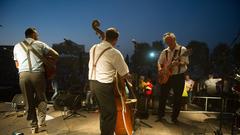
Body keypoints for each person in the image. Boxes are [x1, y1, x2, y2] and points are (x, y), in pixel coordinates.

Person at [13, 27, 59, 133]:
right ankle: (41, 121)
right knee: (42, 99)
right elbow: (56, 55)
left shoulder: (17, 46)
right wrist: (45, 58)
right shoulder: (40, 44)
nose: (38, 36)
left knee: (28, 102)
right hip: (38, 75)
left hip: (23, 75)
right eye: (37, 34)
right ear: (33, 34)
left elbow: (17, 65)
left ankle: (33, 126)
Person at [88, 28, 130, 135]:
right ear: (116, 40)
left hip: (92, 84)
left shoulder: (93, 48)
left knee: (104, 113)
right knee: (110, 114)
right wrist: (130, 78)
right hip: (103, 85)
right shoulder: (114, 53)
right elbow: (124, 73)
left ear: (105, 36)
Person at [156, 32, 189, 123]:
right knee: (163, 96)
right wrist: (160, 69)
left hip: (178, 76)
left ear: (174, 39)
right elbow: (159, 62)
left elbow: (186, 63)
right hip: (166, 76)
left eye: (169, 40)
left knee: (177, 98)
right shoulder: (164, 51)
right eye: (166, 41)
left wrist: (178, 63)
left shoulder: (183, 50)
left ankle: (174, 118)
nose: (168, 43)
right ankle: (160, 115)